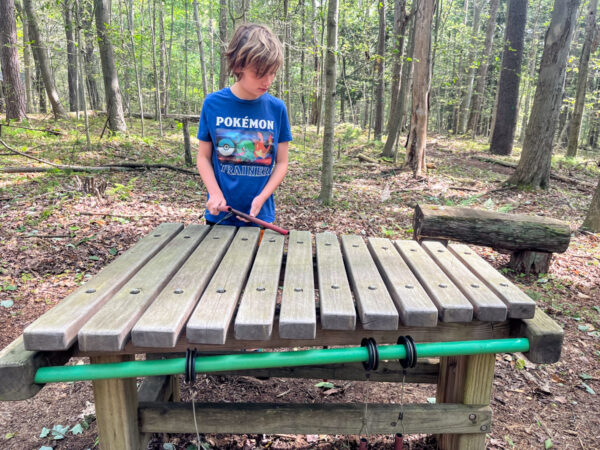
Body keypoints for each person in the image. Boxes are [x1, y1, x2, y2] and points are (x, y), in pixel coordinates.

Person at [196, 23, 292, 229]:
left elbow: (282, 163)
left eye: (273, 73)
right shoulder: (213, 104)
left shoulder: (277, 108)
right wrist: (214, 193)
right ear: (239, 65)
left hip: (260, 216)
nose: (267, 81)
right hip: (218, 216)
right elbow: (203, 157)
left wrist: (261, 198)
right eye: (259, 73)